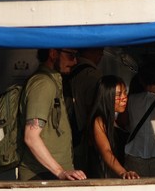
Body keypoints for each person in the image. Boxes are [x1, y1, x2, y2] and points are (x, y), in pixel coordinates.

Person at [19, 48, 87, 181]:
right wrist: (60, 172)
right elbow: (31, 137)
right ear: (53, 53)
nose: (74, 62)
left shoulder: (52, 82)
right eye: (70, 55)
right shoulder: (43, 84)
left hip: (51, 175)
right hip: (41, 176)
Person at [84, 75, 140, 179]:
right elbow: (106, 151)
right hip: (102, 178)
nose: (124, 98)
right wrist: (123, 172)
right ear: (106, 96)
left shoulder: (112, 120)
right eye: (118, 94)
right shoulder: (98, 120)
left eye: (125, 93)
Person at [65, 46, 104, 170]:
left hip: (67, 131)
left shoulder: (68, 71)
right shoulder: (93, 75)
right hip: (82, 135)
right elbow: (93, 109)